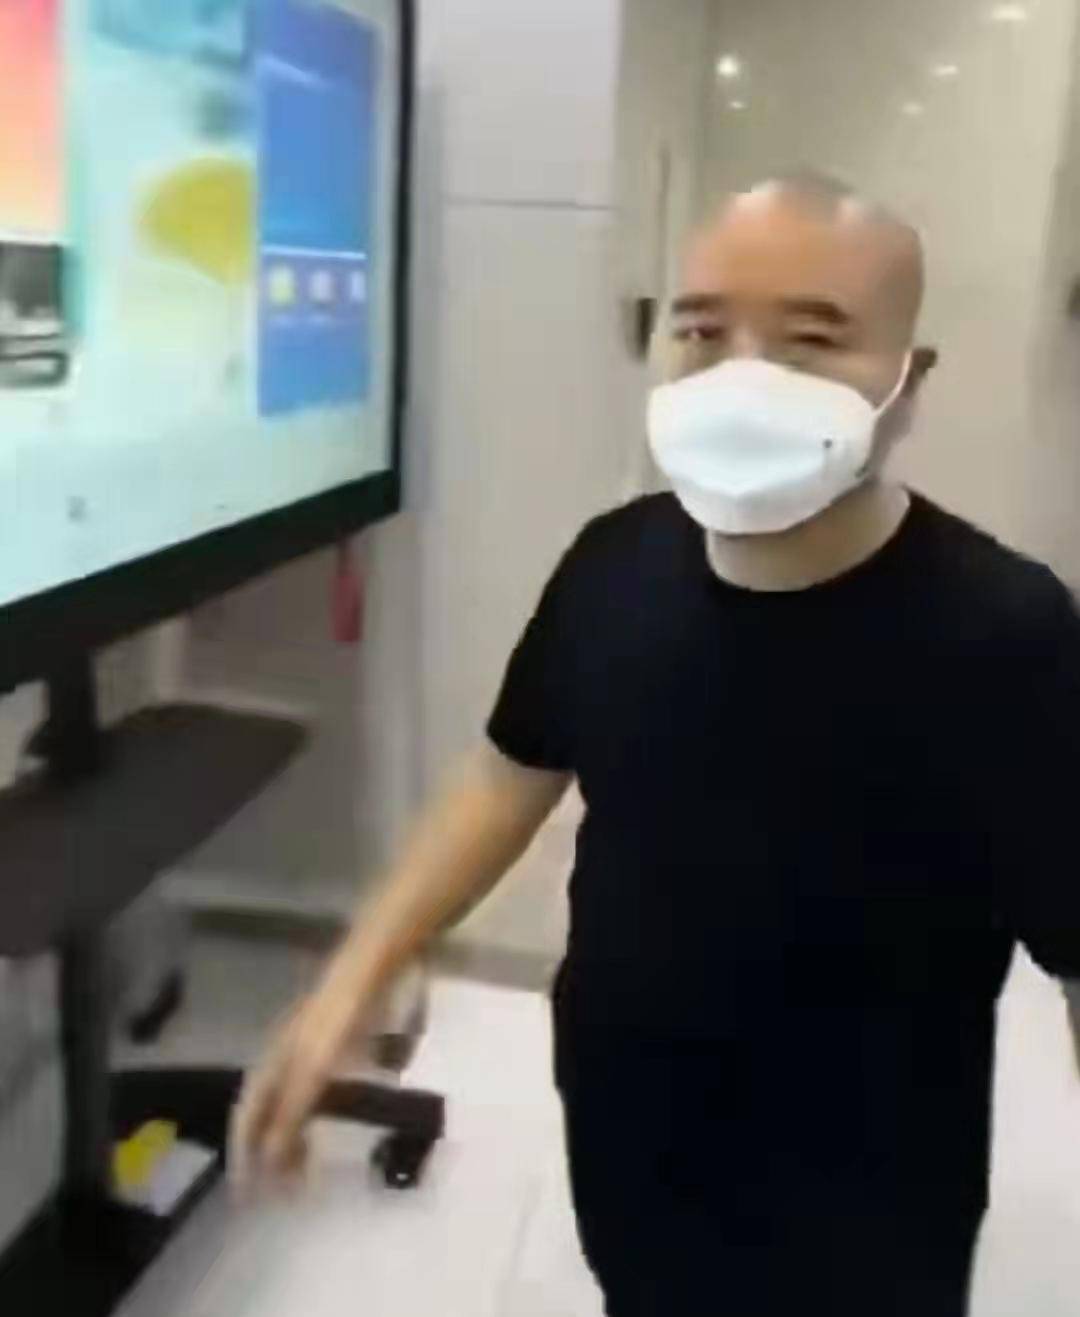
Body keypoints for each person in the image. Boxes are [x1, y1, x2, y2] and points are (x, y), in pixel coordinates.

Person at [233, 174, 1080, 1316]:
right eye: (701, 331)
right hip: (631, 1137)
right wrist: (355, 975)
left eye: (811, 339)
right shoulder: (613, 564)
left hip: (868, 1204)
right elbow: (505, 777)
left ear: (907, 380)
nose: (741, 375)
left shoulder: (1006, 633)